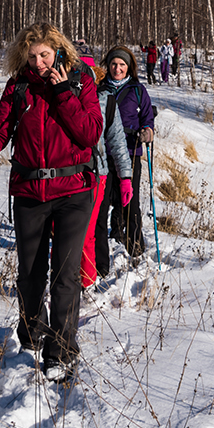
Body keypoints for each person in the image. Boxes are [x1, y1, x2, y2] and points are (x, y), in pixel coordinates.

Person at [0, 23, 101, 382]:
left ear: (59, 51)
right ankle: (32, 330)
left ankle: (60, 350)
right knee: (30, 274)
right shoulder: (19, 86)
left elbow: (90, 133)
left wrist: (62, 91)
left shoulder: (80, 81)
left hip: (74, 189)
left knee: (65, 275)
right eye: (32, 57)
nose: (39, 62)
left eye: (45, 55)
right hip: (29, 191)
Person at [97, 46, 155, 259]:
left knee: (130, 203)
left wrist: (147, 133)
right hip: (104, 154)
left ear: (129, 67)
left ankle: (136, 249)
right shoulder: (100, 89)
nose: (117, 68)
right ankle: (99, 253)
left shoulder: (138, 91)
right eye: (113, 64)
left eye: (122, 64)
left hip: (130, 154)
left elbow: (148, 119)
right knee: (101, 205)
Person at [82, 74, 132, 287]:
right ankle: (64, 282)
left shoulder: (105, 99)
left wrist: (125, 177)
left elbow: (118, 141)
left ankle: (86, 281)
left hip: (97, 173)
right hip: (63, 173)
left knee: (90, 229)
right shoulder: (58, 93)